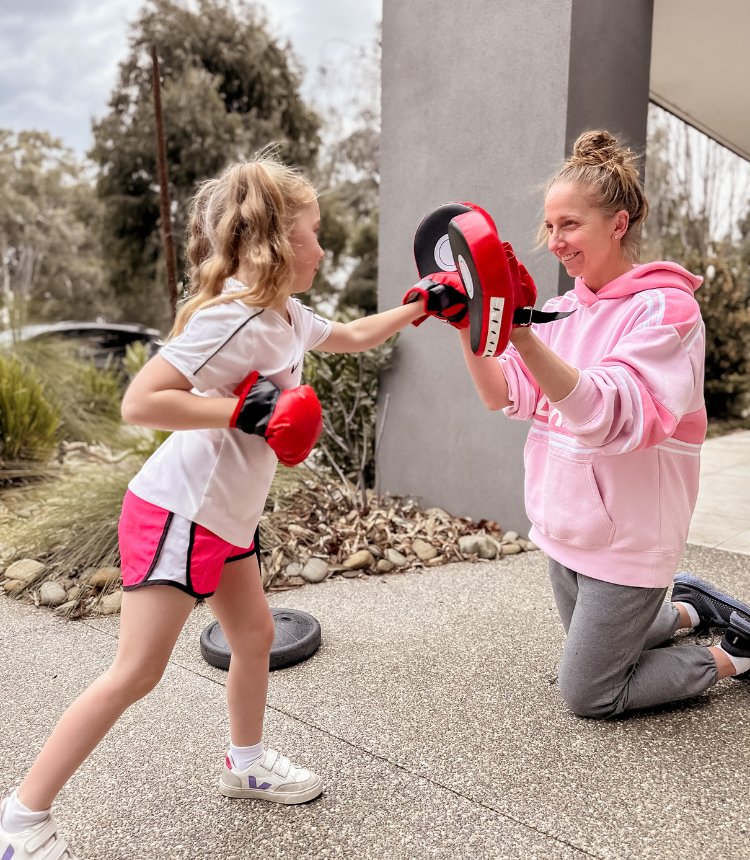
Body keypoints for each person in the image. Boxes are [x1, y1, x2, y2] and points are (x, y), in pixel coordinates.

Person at [0, 155, 430, 860]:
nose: (323, 248)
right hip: (179, 515)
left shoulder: (285, 314)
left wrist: (421, 307)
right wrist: (249, 409)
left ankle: (246, 763)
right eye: (313, 233)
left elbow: (350, 336)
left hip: (224, 518)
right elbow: (141, 401)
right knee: (137, 671)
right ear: (275, 240)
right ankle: (21, 817)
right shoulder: (236, 317)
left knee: (254, 635)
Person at [459, 130, 750, 719]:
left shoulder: (668, 309)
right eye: (550, 226)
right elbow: (504, 393)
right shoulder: (562, 312)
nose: (555, 242)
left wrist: (519, 336)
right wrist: (470, 326)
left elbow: (605, 417)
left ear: (618, 224)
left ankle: (735, 655)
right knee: (615, 642)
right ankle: (690, 609)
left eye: (570, 225)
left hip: (630, 535)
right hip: (567, 528)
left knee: (589, 690)